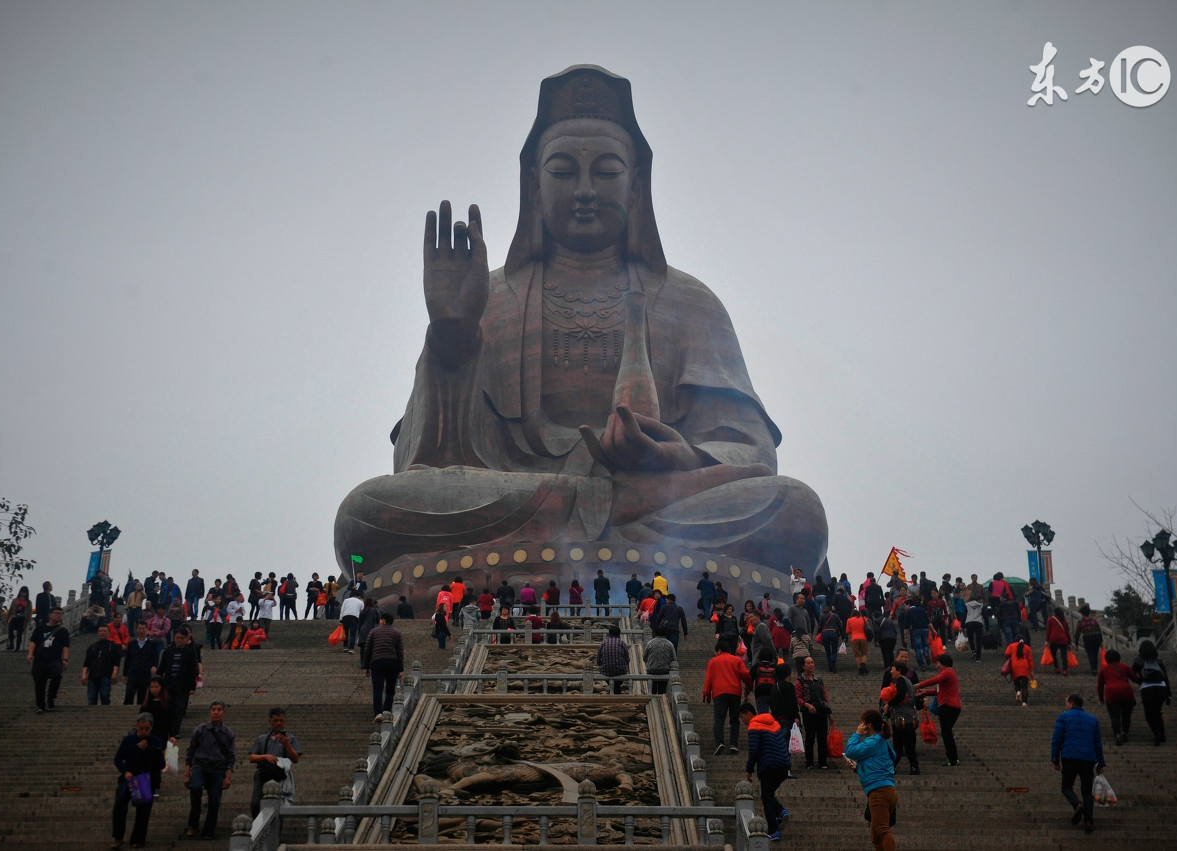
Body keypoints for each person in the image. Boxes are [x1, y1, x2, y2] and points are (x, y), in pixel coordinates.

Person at [333, 66, 829, 603]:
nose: (586, 190)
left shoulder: (690, 301)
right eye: (564, 171)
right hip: (530, 496)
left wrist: (679, 458)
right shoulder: (491, 297)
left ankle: (511, 561)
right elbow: (424, 462)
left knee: (796, 508)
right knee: (364, 513)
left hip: (656, 499)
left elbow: (748, 448)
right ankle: (591, 530)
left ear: (636, 184)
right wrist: (451, 339)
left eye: (607, 171)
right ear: (533, 183)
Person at [1050, 693, 1105, 834]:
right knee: (1087, 791)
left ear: (1072, 703)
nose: (1066, 705)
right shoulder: (1093, 720)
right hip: (1088, 759)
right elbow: (1098, 744)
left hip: (1070, 757)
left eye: (1067, 703)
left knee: (1066, 787)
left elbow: (1057, 740)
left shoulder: (1063, 717)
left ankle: (1077, 805)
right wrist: (1100, 764)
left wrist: (1055, 759)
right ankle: (1088, 821)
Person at [845, 709, 898, 851]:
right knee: (876, 834)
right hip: (887, 789)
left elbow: (850, 751)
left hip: (879, 791)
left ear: (868, 725)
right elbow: (877, 765)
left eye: (862, 723)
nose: (860, 725)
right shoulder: (881, 742)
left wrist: (857, 734)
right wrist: (857, 768)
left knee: (882, 830)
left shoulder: (873, 741)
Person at [110, 712, 164, 849]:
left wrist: (147, 750)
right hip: (129, 778)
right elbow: (118, 758)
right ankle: (118, 837)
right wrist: (125, 771)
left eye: (146, 728)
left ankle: (137, 839)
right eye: (141, 728)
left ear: (151, 728)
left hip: (145, 778)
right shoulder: (128, 740)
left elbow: (160, 762)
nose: (143, 731)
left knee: (143, 811)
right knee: (119, 807)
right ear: (136, 727)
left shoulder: (156, 741)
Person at [184, 701, 235, 840]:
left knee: (214, 799)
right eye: (213, 709)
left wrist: (228, 776)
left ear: (223, 712)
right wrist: (187, 773)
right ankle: (193, 825)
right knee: (195, 789)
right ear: (210, 712)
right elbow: (190, 751)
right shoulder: (200, 729)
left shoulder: (228, 733)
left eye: (219, 710)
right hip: (200, 765)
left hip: (217, 769)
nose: (216, 712)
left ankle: (209, 830)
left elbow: (231, 756)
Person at [741, 702, 790, 841]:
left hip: (769, 765)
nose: (742, 720)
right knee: (767, 794)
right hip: (784, 765)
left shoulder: (754, 725)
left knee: (767, 797)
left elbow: (754, 750)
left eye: (742, 716)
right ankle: (781, 811)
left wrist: (749, 770)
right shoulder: (773, 723)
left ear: (749, 713)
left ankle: (773, 830)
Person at [249, 708, 303, 817]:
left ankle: (275, 831)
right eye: (275, 720)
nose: (278, 723)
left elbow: (295, 758)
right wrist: (266, 756)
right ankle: (257, 829)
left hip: (280, 775)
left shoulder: (290, 738)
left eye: (281, 720)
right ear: (270, 722)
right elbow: (252, 757)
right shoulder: (262, 739)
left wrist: (287, 744)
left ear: (285, 721)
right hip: (263, 774)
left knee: (279, 806)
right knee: (255, 803)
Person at [704, 636, 752, 754]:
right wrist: (749, 686)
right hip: (735, 692)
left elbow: (708, 680)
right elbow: (745, 674)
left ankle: (719, 743)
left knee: (719, 720)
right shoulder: (737, 660)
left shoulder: (713, 661)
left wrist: (706, 695)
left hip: (719, 693)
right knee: (734, 719)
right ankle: (733, 744)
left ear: (719, 650)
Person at [917, 653, 962, 766]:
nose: (937, 665)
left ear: (942, 663)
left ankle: (953, 759)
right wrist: (925, 692)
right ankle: (953, 758)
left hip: (948, 706)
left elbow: (935, 680)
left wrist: (919, 685)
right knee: (947, 732)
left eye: (938, 663)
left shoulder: (947, 672)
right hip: (951, 706)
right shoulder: (949, 674)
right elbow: (939, 691)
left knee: (946, 733)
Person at [158, 627, 202, 736]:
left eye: (182, 638)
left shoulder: (189, 652)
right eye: (177, 638)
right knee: (167, 708)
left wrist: (192, 687)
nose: (179, 640)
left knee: (179, 709)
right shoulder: (168, 651)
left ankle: (175, 731)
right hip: (168, 684)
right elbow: (162, 668)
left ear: (186, 639)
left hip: (182, 686)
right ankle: (167, 729)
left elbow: (193, 670)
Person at [362, 611, 405, 717]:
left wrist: (366, 667)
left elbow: (367, 650)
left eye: (381, 620)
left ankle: (378, 713)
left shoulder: (373, 632)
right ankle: (386, 710)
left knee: (377, 689)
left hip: (377, 662)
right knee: (390, 689)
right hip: (392, 662)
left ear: (383, 620)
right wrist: (400, 669)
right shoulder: (397, 633)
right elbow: (400, 652)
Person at [27, 606, 70, 713]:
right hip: (40, 659)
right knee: (39, 683)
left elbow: (65, 646)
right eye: (56, 613)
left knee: (57, 676)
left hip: (54, 659)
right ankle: (41, 705)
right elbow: (33, 642)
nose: (59, 615)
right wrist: (30, 654)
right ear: (50, 615)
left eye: (60, 613)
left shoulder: (63, 631)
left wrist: (65, 659)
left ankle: (51, 699)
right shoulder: (40, 629)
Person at [1131, 639, 1171, 745]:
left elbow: (1132, 674)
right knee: (1157, 712)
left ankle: (1157, 733)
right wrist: (1169, 695)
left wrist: (1140, 681)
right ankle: (1161, 733)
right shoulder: (1158, 660)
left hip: (1147, 688)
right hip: (1161, 687)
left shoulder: (1137, 660)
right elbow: (1165, 678)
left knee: (1149, 714)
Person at [796, 655, 833, 768]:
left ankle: (823, 762)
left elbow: (825, 696)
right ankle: (810, 762)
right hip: (809, 713)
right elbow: (798, 697)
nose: (811, 664)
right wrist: (807, 705)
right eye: (808, 663)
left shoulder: (818, 680)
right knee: (810, 737)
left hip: (822, 712)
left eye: (812, 662)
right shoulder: (800, 681)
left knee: (822, 737)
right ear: (803, 666)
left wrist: (829, 713)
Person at [882, 660, 919, 775]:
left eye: (893, 669)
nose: (891, 671)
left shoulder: (901, 680)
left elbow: (901, 695)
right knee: (907, 744)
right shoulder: (906, 681)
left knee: (900, 744)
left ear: (899, 670)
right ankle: (912, 767)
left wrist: (889, 704)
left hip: (902, 717)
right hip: (908, 716)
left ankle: (892, 768)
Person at [1096, 649, 1139, 744]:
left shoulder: (1103, 670)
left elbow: (1100, 686)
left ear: (1106, 659)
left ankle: (1117, 734)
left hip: (1112, 693)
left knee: (1114, 716)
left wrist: (1100, 699)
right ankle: (1125, 733)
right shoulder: (1125, 667)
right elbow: (1135, 679)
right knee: (1126, 715)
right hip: (1126, 692)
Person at [122, 621, 162, 704]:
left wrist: (154, 666)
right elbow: (127, 660)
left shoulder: (152, 644)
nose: (141, 631)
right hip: (133, 672)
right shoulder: (132, 644)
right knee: (129, 694)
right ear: (137, 629)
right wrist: (125, 674)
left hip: (145, 672)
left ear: (147, 629)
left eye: (143, 629)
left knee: (142, 694)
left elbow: (155, 657)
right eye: (139, 628)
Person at [82, 624, 122, 705]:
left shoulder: (113, 646)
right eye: (100, 631)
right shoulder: (92, 647)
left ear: (108, 633)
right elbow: (86, 662)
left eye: (104, 631)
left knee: (105, 696)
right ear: (98, 633)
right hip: (92, 676)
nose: (102, 633)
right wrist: (84, 675)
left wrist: (114, 673)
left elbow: (116, 662)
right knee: (91, 698)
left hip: (106, 676)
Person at [596, 624, 630, 694]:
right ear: (619, 634)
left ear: (609, 634)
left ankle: (613, 691)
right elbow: (627, 660)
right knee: (617, 684)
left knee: (613, 685)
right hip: (620, 671)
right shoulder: (622, 643)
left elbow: (598, 661)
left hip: (606, 671)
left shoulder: (603, 643)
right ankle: (616, 692)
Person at [1005, 637, 1035, 706]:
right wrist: (1032, 671)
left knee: (1017, 684)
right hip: (1024, 667)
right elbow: (1030, 660)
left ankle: (1018, 692)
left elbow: (1006, 654)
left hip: (1015, 666)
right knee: (1024, 686)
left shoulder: (1011, 646)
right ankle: (1024, 702)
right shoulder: (1027, 647)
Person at [749, 649, 777, 713]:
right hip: (773, 693)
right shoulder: (775, 667)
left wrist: (747, 691)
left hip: (760, 693)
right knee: (776, 714)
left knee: (762, 714)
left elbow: (750, 679)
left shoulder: (756, 667)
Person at [1045, 607, 1071, 675]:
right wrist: (1069, 643)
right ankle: (1064, 670)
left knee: (1053, 654)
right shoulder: (1065, 622)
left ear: (1054, 612)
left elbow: (1048, 631)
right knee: (1064, 656)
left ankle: (1057, 668)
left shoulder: (1050, 619)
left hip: (1054, 640)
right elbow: (1067, 633)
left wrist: (1046, 640)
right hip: (1063, 640)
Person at [817, 607, 843, 673]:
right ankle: (833, 664)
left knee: (828, 651)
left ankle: (829, 666)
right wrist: (843, 636)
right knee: (834, 650)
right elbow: (840, 626)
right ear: (830, 611)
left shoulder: (822, 616)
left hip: (825, 633)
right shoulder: (836, 616)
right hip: (834, 633)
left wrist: (818, 634)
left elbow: (819, 626)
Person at [847, 608, 871, 676]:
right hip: (863, 638)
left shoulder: (849, 620)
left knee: (857, 654)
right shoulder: (863, 618)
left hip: (854, 638)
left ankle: (860, 668)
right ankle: (863, 665)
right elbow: (868, 625)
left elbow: (847, 631)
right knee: (864, 653)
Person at [6, 586, 32, 651]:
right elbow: (10, 610)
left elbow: (30, 612)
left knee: (19, 633)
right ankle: (11, 644)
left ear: (27, 593)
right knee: (10, 629)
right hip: (14, 618)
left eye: (25, 592)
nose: (23, 594)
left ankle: (17, 647)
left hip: (22, 619)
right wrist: (7, 619)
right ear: (20, 592)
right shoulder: (15, 600)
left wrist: (29, 620)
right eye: (22, 592)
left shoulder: (28, 602)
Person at [963, 597, 985, 662]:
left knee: (970, 638)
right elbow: (985, 616)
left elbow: (964, 615)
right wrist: (987, 628)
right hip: (978, 623)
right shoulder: (981, 605)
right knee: (978, 640)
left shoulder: (966, 605)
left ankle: (973, 650)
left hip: (969, 623)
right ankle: (978, 658)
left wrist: (962, 625)